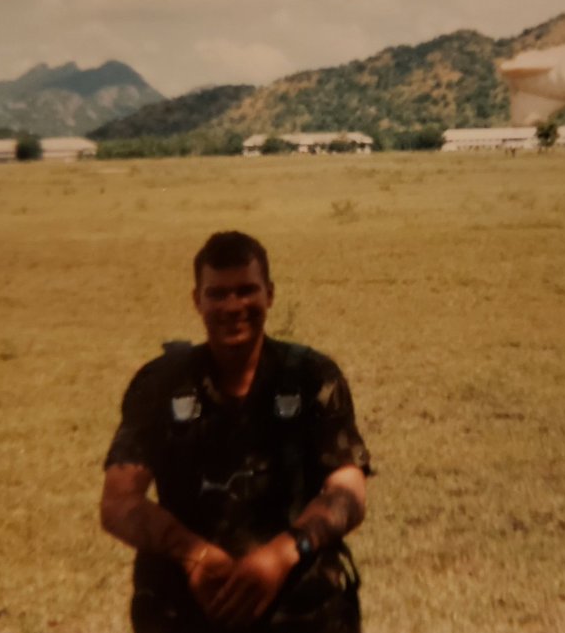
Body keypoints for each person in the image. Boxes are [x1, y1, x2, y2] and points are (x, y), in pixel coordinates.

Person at [101, 231, 371, 633]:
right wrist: (193, 554)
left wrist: (283, 553)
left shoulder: (311, 377)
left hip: (300, 598)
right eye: (218, 294)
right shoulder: (159, 385)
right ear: (197, 299)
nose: (233, 306)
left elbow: (348, 489)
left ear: (270, 294)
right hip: (186, 600)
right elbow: (118, 502)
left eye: (247, 291)